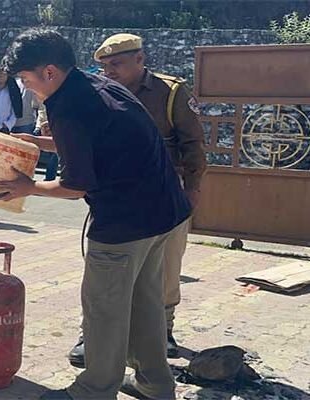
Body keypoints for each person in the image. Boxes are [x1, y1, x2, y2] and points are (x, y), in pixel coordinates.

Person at [0, 29, 190, 399]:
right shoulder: (98, 86)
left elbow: (75, 186)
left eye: (27, 80)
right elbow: (95, 139)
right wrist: (37, 142)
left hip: (124, 222)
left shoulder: (66, 107)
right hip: (163, 212)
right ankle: (155, 385)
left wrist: (27, 187)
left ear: (49, 72)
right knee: (145, 305)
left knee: (104, 309)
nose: (28, 88)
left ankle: (93, 390)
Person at [64, 32, 206, 362]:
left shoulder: (169, 93)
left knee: (166, 269)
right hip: (115, 196)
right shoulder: (96, 92)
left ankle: (163, 331)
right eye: (103, 65)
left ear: (140, 60)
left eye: (116, 64)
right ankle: (91, 335)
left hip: (164, 195)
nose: (109, 71)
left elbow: (193, 144)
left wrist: (193, 189)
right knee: (104, 270)